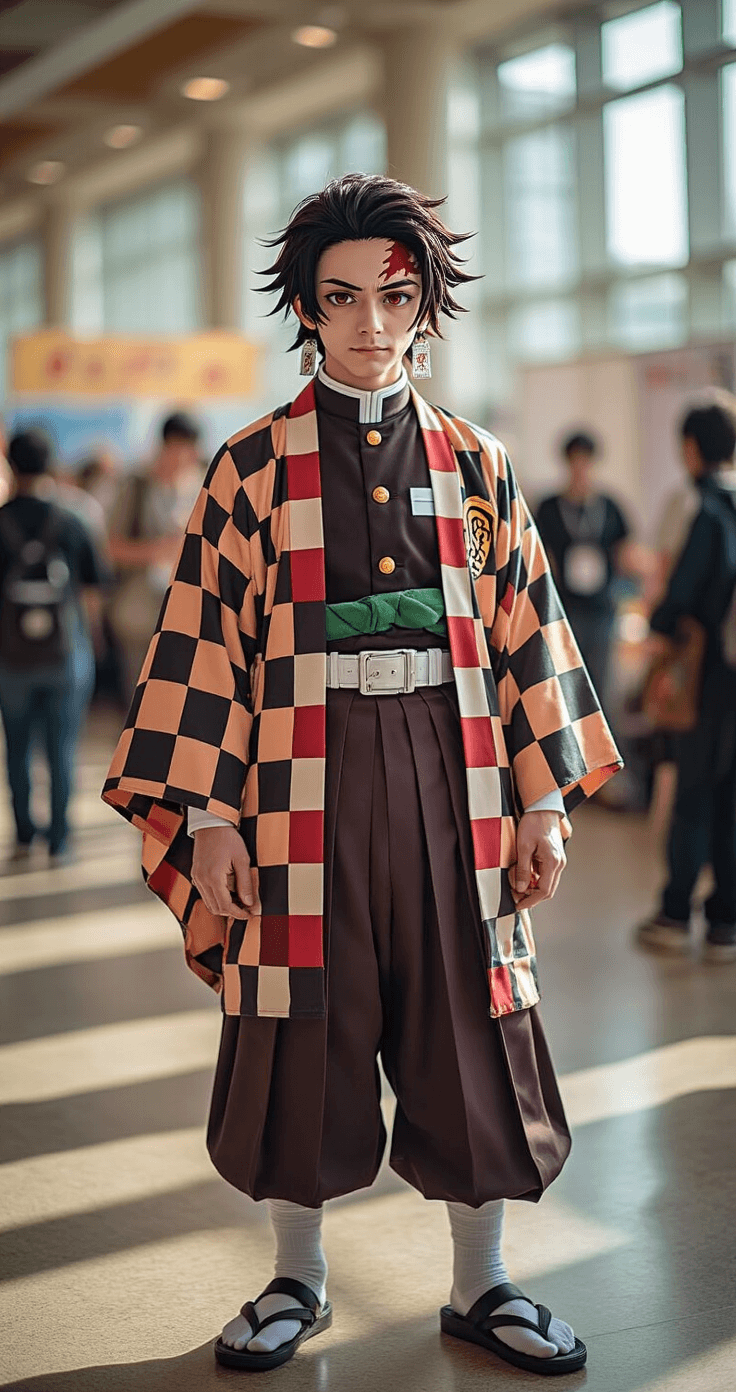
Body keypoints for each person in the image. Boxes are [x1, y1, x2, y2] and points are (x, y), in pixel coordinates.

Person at [102, 175, 621, 1378]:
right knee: (299, 1022)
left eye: (393, 296)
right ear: (307, 309)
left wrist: (542, 801)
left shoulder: (478, 464)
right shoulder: (247, 468)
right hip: (292, 786)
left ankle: (480, 1285)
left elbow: (527, 630)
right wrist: (210, 815)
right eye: (340, 300)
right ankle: (298, 1277)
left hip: (458, 778)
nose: (369, 325)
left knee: (467, 1013)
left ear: (426, 302)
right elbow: (202, 648)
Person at [636, 401, 736, 963]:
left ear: (692, 448)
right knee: (733, 799)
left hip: (707, 681)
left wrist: (660, 622)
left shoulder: (707, 510)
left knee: (694, 792)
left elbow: (682, 600)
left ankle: (675, 912)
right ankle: (726, 921)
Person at [0, 430, 107, 861]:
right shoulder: (71, 520)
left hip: (9, 656)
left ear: (11, 463)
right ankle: (60, 838)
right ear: (50, 464)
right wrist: (94, 640)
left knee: (17, 744)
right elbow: (92, 589)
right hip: (65, 652)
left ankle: (25, 831)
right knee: (62, 745)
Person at [107, 412, 202, 700]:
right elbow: (110, 547)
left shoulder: (201, 486)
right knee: (140, 700)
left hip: (187, 614)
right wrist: (157, 550)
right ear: (165, 446)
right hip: (138, 615)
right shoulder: (135, 486)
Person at [535, 432, 633, 708]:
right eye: (575, 461)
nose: (580, 468)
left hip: (602, 607)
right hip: (565, 608)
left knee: (601, 680)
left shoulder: (609, 506)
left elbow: (625, 552)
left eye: (585, 461)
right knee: (566, 678)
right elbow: (541, 555)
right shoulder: (549, 507)